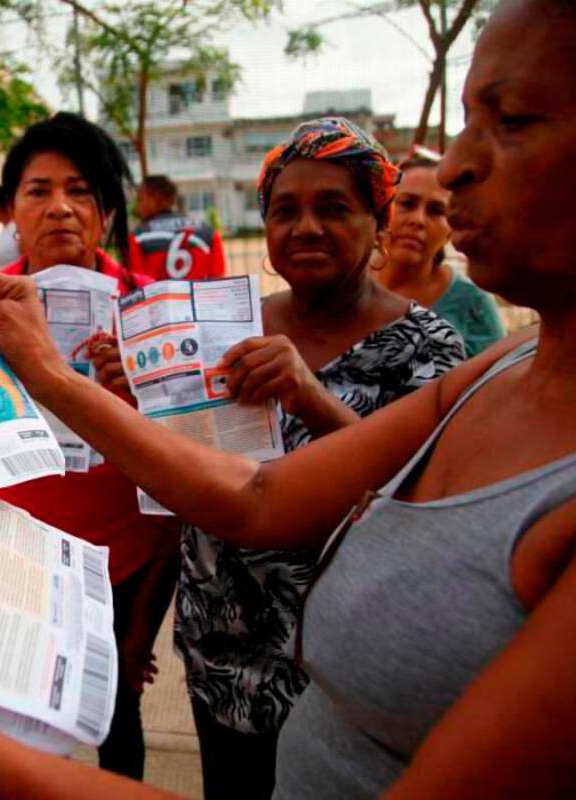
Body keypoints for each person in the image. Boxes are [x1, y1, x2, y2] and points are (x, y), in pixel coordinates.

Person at [0, 1, 576, 796]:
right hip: (211, 650)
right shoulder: (497, 375)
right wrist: (50, 376)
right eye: (465, 123)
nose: (452, 170)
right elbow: (252, 495)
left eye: (515, 119)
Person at [169, 118, 465, 800]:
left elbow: (424, 507)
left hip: (341, 675)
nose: (304, 227)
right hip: (218, 654)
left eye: (333, 208)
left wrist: (311, 398)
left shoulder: (431, 350)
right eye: (284, 211)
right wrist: (138, 391)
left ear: (377, 221)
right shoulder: (227, 325)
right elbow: (182, 470)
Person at [0, 112, 180, 781]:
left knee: (116, 726)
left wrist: (149, 387)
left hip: (119, 567)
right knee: (11, 740)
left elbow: (186, 477)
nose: (60, 208)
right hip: (11, 559)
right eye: (38, 191)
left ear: (105, 213)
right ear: (11, 210)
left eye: (79, 191)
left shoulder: (155, 312)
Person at [376, 149, 507, 355]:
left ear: (450, 229)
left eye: (436, 211)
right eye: (407, 204)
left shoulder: (472, 306)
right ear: (383, 210)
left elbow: (496, 381)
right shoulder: (346, 282)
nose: (418, 220)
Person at [128, 175, 227, 281]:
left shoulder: (137, 237)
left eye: (139, 199)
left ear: (154, 198)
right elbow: (218, 281)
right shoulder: (209, 233)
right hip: (198, 297)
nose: (137, 207)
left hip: (158, 298)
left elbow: (135, 285)